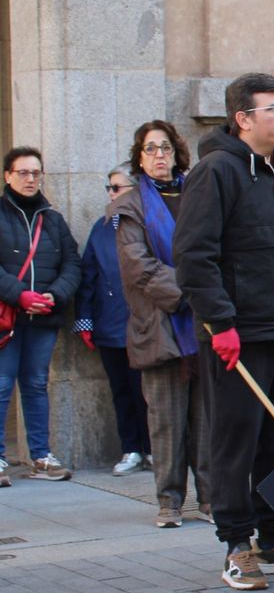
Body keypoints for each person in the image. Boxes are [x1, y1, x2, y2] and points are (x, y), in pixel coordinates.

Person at [173, 73, 274, 589]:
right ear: (243, 118)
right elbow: (194, 256)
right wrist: (219, 322)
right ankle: (235, 543)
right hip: (238, 338)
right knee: (234, 440)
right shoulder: (215, 172)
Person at [112, 121, 211, 528]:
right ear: (139, 157)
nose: (158, 156)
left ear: (177, 153)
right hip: (159, 326)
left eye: (165, 148)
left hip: (206, 325)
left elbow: (215, 247)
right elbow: (138, 267)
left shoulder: (199, 194)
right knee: (166, 421)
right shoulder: (130, 205)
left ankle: (210, 498)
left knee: (207, 420)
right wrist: (193, 288)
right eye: (150, 149)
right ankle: (169, 501)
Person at [0, 147, 81, 486]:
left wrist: (56, 295)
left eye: (36, 172)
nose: (31, 178)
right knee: (2, 385)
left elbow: (73, 264)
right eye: (23, 172)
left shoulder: (53, 219)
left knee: (35, 384)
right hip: (8, 317)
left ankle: (41, 456)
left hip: (43, 318)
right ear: (8, 176)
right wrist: (19, 295)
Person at [76, 165, 146, 476]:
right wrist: (85, 321)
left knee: (148, 392)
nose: (111, 193)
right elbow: (88, 276)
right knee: (121, 391)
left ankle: (155, 449)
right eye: (109, 187)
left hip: (146, 326)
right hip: (111, 324)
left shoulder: (149, 223)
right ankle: (131, 448)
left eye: (117, 187)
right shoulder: (102, 227)